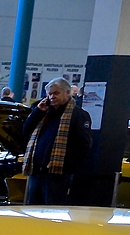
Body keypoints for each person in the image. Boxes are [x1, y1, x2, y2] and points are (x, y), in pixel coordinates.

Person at [21, 77, 92, 205]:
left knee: (52, 211)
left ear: (67, 93)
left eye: (56, 93)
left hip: (58, 174)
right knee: (33, 211)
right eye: (50, 94)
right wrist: (38, 111)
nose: (52, 97)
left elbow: (84, 145)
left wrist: (67, 164)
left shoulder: (78, 115)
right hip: (37, 171)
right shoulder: (44, 113)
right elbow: (26, 132)